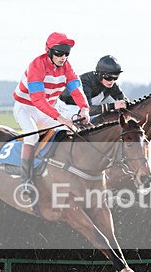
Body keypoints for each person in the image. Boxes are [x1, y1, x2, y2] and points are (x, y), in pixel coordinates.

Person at [12, 32, 91, 193]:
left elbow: (76, 89)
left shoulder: (67, 67)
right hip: (25, 108)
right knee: (32, 136)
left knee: (71, 129)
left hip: (45, 109)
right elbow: (38, 99)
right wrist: (61, 118)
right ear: (49, 51)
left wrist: (84, 108)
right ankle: (25, 181)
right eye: (59, 53)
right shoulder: (36, 65)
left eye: (66, 53)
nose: (63, 57)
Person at [57, 55, 128, 119]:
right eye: (108, 77)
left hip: (85, 109)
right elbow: (87, 110)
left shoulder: (112, 84)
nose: (112, 81)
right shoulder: (85, 82)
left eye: (115, 77)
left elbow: (124, 101)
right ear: (100, 74)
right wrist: (113, 106)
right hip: (66, 108)